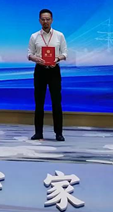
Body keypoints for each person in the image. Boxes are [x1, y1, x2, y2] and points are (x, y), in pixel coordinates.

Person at [27, 8, 68, 141]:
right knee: (39, 102)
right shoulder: (34, 36)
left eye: (48, 19)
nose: (45, 21)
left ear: (52, 20)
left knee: (56, 102)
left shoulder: (59, 35)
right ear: (39, 20)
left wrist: (57, 59)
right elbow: (29, 54)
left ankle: (59, 133)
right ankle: (38, 132)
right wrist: (36, 58)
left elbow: (65, 53)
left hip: (54, 70)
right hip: (40, 70)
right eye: (43, 19)